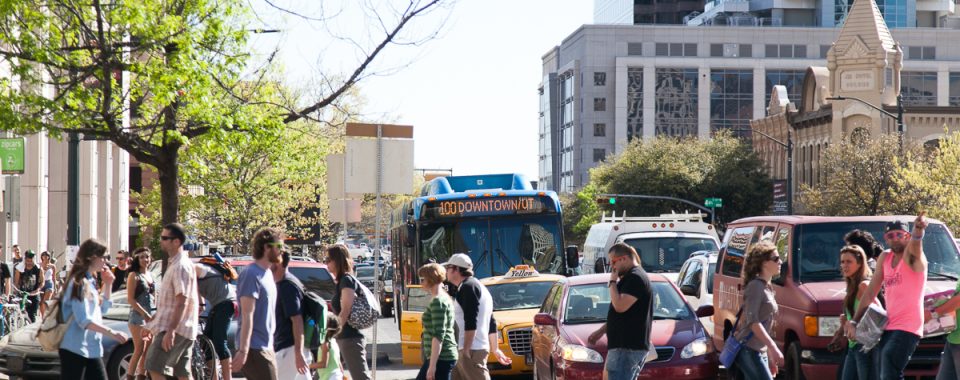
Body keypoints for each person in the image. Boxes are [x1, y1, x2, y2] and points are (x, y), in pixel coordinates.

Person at [845, 214, 929, 380]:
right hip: (888, 325)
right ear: (886, 238)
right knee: (884, 372)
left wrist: (918, 232)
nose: (895, 239)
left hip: (908, 327)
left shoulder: (913, 258)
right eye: (891, 236)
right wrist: (854, 321)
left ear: (907, 236)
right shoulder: (885, 257)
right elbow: (870, 292)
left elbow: (916, 248)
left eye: (900, 235)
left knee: (889, 367)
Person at [59, 238, 130, 380]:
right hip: (74, 348)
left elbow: (102, 311)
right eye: (104, 257)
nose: (106, 261)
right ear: (91, 257)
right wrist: (112, 332)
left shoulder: (90, 281)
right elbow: (84, 321)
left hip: (92, 348)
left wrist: (108, 284)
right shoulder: (78, 283)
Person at [587, 243, 654, 380]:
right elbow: (621, 314)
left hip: (627, 347)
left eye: (613, 261)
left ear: (623, 258)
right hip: (624, 347)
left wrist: (612, 282)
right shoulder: (630, 277)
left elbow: (620, 306)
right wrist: (600, 332)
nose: (612, 267)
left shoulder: (636, 277)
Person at [143, 223, 200, 380]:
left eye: (164, 238)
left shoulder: (180, 266)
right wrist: (152, 322)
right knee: (183, 373)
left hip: (175, 328)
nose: (161, 241)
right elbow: (170, 302)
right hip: (185, 329)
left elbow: (182, 300)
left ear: (176, 242)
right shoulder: (178, 264)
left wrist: (171, 331)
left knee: (154, 367)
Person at [233, 227, 282, 380]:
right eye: (279, 246)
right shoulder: (251, 274)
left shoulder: (267, 273)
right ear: (267, 247)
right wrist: (243, 351)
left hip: (265, 345)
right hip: (254, 349)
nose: (282, 250)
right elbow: (247, 315)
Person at [731, 241, 783, 379]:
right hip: (748, 349)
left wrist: (770, 355)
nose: (781, 262)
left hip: (759, 351)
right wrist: (773, 348)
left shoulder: (767, 287)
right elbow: (753, 321)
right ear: (764, 263)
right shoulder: (755, 286)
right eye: (776, 259)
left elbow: (767, 324)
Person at [442, 253, 493, 380]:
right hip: (470, 348)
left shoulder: (467, 287)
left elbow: (471, 321)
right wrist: (496, 349)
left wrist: (466, 350)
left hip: (471, 349)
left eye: (448, 268)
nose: (446, 272)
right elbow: (491, 321)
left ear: (456, 269)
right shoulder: (476, 286)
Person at [325, 244, 371, 380]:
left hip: (350, 338)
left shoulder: (346, 280)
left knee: (361, 377)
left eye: (328, 259)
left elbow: (345, 310)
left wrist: (331, 334)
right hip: (343, 338)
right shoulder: (341, 281)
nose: (326, 263)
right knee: (324, 373)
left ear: (337, 260)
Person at [837, 245, 877, 380]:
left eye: (849, 262)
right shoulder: (851, 286)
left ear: (860, 264)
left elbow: (879, 313)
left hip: (864, 347)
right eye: (842, 262)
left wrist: (855, 322)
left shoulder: (864, 285)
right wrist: (844, 325)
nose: (844, 265)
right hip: (853, 346)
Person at [195, 251, 237, 380]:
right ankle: (213, 377)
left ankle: (227, 378)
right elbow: (196, 295)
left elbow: (192, 286)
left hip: (226, 303)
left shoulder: (198, 268)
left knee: (219, 342)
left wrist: (199, 304)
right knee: (206, 343)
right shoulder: (198, 275)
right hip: (217, 305)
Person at [272, 251, 311, 379]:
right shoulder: (289, 282)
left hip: (289, 350)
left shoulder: (287, 286)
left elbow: (297, 320)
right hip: (291, 349)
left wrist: (298, 353)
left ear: (280, 263)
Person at [416, 263, 458, 380]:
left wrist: (432, 365)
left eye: (422, 279)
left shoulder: (438, 302)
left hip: (441, 357)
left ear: (431, 279)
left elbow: (438, 335)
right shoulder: (443, 297)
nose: (421, 283)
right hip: (442, 356)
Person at [127, 248, 156, 380]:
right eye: (142, 257)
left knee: (147, 351)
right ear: (137, 260)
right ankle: (130, 377)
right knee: (139, 349)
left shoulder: (151, 274)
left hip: (151, 317)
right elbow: (131, 299)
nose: (145, 260)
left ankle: (141, 377)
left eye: (147, 257)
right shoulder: (134, 275)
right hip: (137, 317)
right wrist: (145, 314)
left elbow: (154, 296)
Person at [310, 314, 344, 380]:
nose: (320, 325)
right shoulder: (333, 342)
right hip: (336, 375)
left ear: (327, 329)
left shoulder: (325, 343)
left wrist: (308, 366)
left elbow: (323, 364)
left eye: (322, 323)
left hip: (330, 376)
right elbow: (338, 363)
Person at [14, 250, 43, 322]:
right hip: (23, 294)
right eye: (27, 261)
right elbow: (16, 282)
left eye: (31, 261)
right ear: (25, 259)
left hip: (34, 294)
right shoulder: (20, 269)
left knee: (32, 314)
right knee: (21, 313)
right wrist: (18, 290)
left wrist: (37, 290)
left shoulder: (38, 269)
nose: (29, 263)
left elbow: (42, 282)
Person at [39, 251, 57, 317]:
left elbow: (54, 277)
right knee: (40, 303)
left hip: (49, 283)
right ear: (42, 257)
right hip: (41, 283)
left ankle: (46, 316)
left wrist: (55, 287)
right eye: (43, 255)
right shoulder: (39, 265)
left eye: (47, 255)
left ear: (49, 257)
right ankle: (43, 317)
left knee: (45, 301)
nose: (45, 257)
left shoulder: (52, 266)